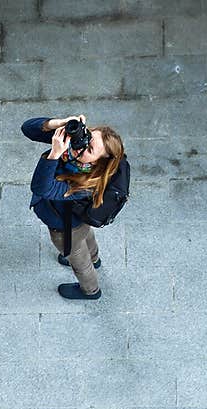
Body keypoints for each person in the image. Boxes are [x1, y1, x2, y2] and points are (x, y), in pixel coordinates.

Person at [21, 115, 125, 300]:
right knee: (86, 234)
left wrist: (54, 155)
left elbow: (42, 188)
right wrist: (57, 124)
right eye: (87, 136)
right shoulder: (73, 149)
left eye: (90, 149)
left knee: (78, 258)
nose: (82, 144)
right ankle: (95, 258)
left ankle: (90, 290)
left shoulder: (87, 185)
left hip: (65, 227)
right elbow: (27, 129)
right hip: (79, 219)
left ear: (97, 163)